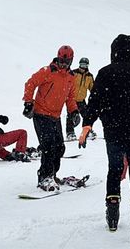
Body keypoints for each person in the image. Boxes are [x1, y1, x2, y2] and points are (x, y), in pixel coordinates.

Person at [79, 34, 130, 240]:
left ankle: (113, 213)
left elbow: (95, 103)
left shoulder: (105, 73)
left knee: (114, 170)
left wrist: (87, 125)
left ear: (113, 50)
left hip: (114, 131)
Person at [22, 45, 78, 192]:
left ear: (71, 61)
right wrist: (28, 102)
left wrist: (74, 112)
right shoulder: (47, 71)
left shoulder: (71, 77)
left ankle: (52, 175)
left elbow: (71, 98)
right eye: (61, 61)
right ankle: (44, 177)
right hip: (41, 115)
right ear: (57, 58)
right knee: (48, 146)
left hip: (55, 117)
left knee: (59, 147)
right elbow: (30, 83)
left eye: (66, 62)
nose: (63, 64)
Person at [66, 57, 95, 140]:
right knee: (71, 116)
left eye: (85, 65)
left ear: (87, 66)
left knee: (86, 116)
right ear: (79, 64)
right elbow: (68, 83)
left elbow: (92, 88)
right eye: (82, 65)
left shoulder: (89, 76)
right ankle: (70, 133)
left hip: (81, 100)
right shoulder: (74, 73)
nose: (83, 67)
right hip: (72, 99)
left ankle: (87, 132)